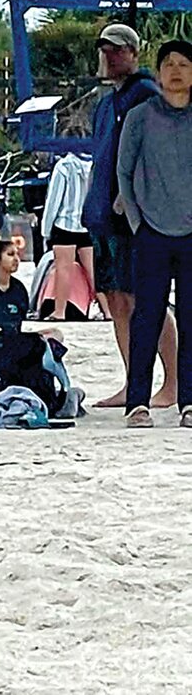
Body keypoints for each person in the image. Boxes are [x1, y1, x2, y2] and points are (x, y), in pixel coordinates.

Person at [82, 22, 176, 410]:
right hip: (104, 214)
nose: (109, 56)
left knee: (147, 298)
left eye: (117, 50)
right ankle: (132, 380)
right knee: (117, 298)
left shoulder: (146, 95)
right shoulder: (107, 102)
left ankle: (174, 382)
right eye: (105, 49)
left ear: (134, 54)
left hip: (135, 216)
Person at [116, 38, 192, 429]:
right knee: (146, 316)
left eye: (183, 63)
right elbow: (123, 172)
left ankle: (189, 402)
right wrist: (136, 221)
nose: (176, 70)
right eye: (168, 64)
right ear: (158, 72)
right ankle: (137, 402)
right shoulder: (141, 116)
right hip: (151, 233)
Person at [41, 151, 96, 321]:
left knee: (63, 270)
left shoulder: (64, 166)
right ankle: (106, 309)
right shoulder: (94, 163)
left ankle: (60, 311)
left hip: (65, 224)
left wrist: (46, 230)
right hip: (87, 224)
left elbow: (54, 200)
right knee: (93, 271)